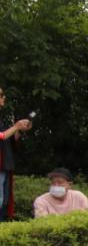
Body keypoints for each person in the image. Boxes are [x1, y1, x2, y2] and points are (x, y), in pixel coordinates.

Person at [0, 87, 33, 222]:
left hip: (4, 167)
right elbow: (1, 136)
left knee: (3, 201)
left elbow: (7, 140)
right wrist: (15, 127)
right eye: (1, 95)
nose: (3, 97)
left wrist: (19, 130)